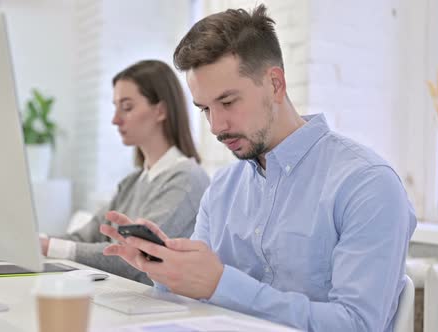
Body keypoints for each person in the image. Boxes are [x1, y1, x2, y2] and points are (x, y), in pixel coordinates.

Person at [99, 5, 417, 331]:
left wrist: (220, 285)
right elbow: (195, 305)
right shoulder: (222, 189)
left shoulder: (367, 185)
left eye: (228, 102)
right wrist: (167, 272)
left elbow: (357, 325)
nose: (216, 126)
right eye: (205, 109)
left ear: (275, 84)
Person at [40, 60, 210, 285]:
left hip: (158, 308)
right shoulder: (132, 182)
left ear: (160, 110)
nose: (115, 119)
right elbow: (85, 236)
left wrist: (49, 247)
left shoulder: (187, 179)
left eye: (127, 107)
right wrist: (36, 241)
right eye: (115, 107)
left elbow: (132, 258)